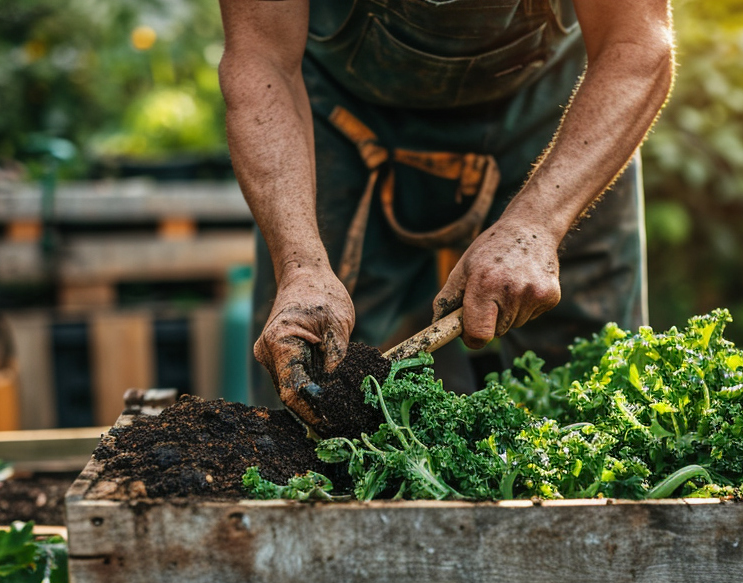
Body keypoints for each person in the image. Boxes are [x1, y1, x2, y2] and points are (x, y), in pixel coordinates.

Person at [219, 0, 675, 423]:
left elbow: (635, 46)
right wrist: (301, 266)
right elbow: (262, 59)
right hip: (341, 115)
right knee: (307, 385)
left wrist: (536, 225)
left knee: (599, 389)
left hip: (558, 113)